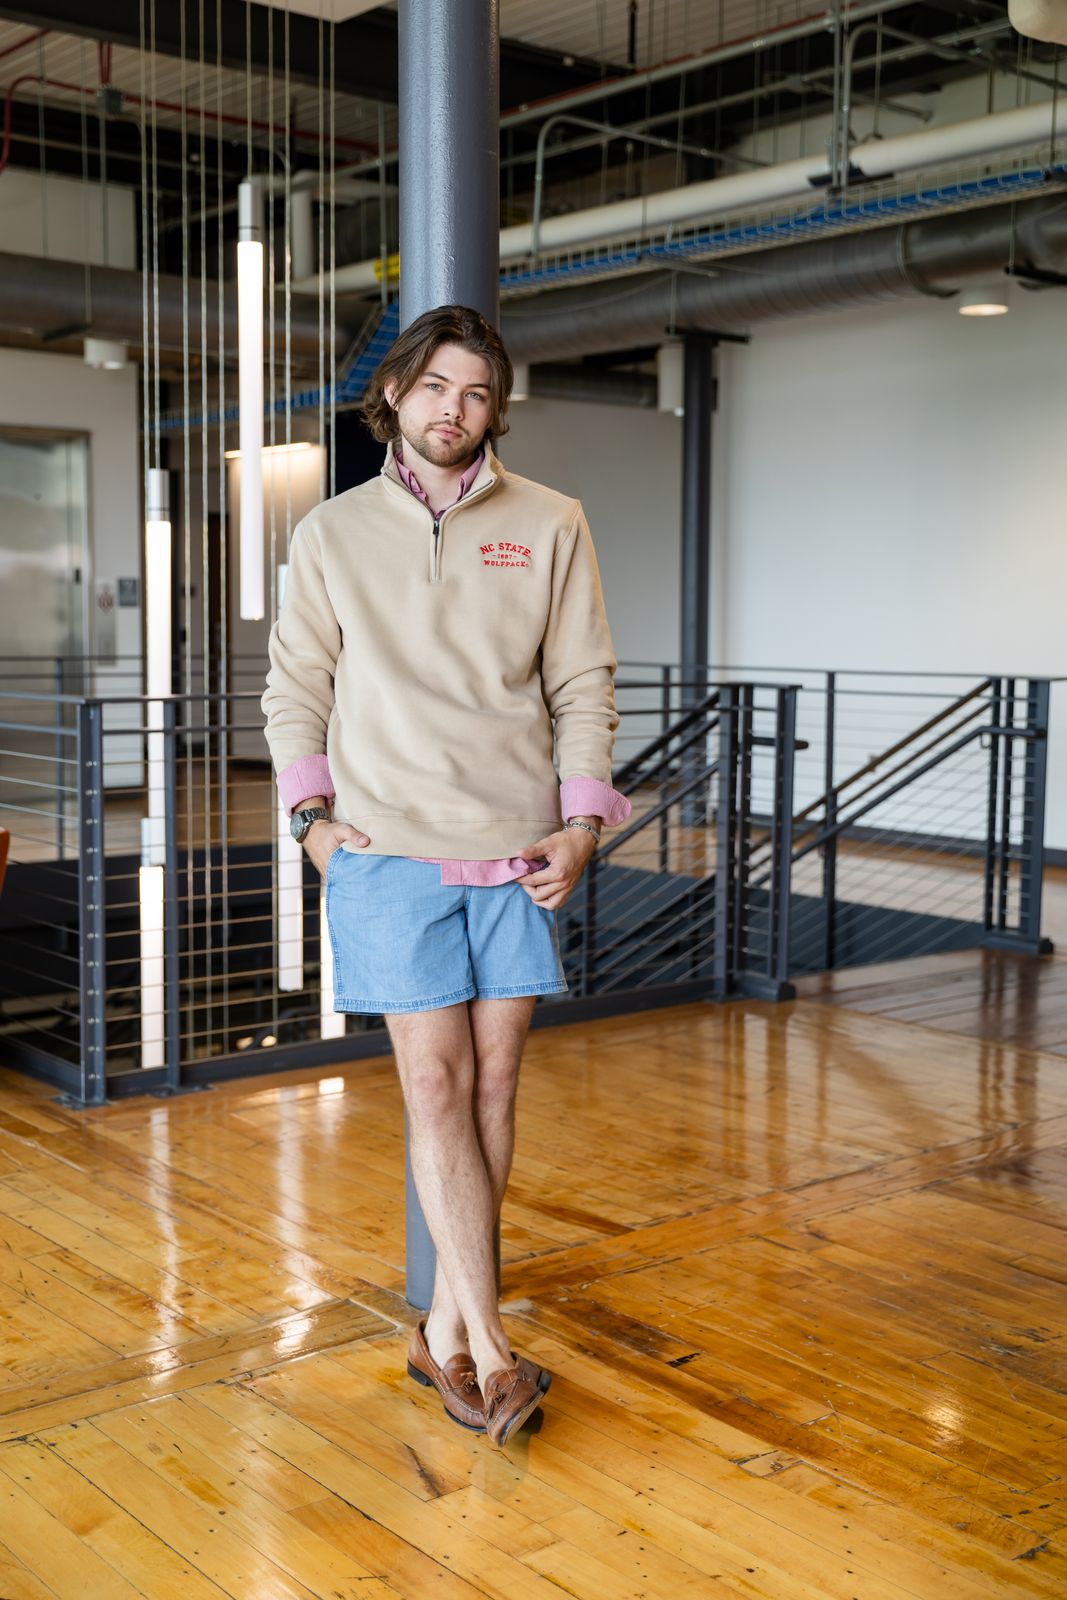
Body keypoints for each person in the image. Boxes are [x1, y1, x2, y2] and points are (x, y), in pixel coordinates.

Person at [262, 303, 631, 1448]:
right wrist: (311, 822)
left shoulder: (551, 521)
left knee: (493, 1089)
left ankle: (443, 1330)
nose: (451, 411)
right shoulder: (329, 533)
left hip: (519, 849)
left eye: (474, 393)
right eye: (433, 388)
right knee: (432, 1085)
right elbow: (294, 691)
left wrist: (581, 828)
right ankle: (487, 1345)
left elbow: (582, 684)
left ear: (493, 408)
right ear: (396, 395)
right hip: (385, 851)